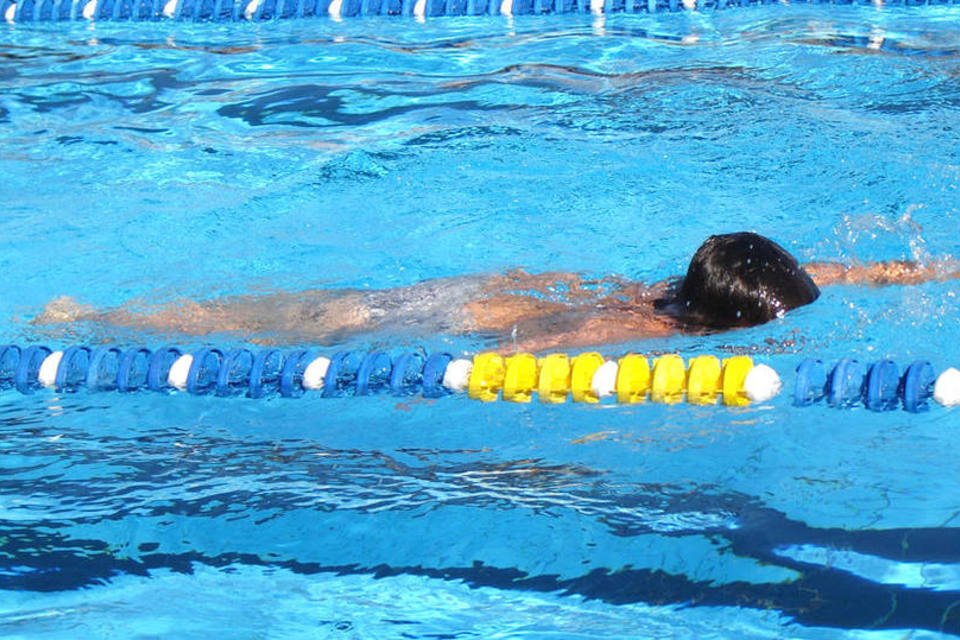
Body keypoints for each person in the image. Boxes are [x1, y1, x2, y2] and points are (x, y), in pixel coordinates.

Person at [32, 232, 957, 351]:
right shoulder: (615, 324)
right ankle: (91, 320)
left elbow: (847, 271)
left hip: (488, 283)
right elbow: (506, 358)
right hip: (435, 315)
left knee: (274, 315)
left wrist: (934, 273)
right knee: (269, 332)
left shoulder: (722, 287)